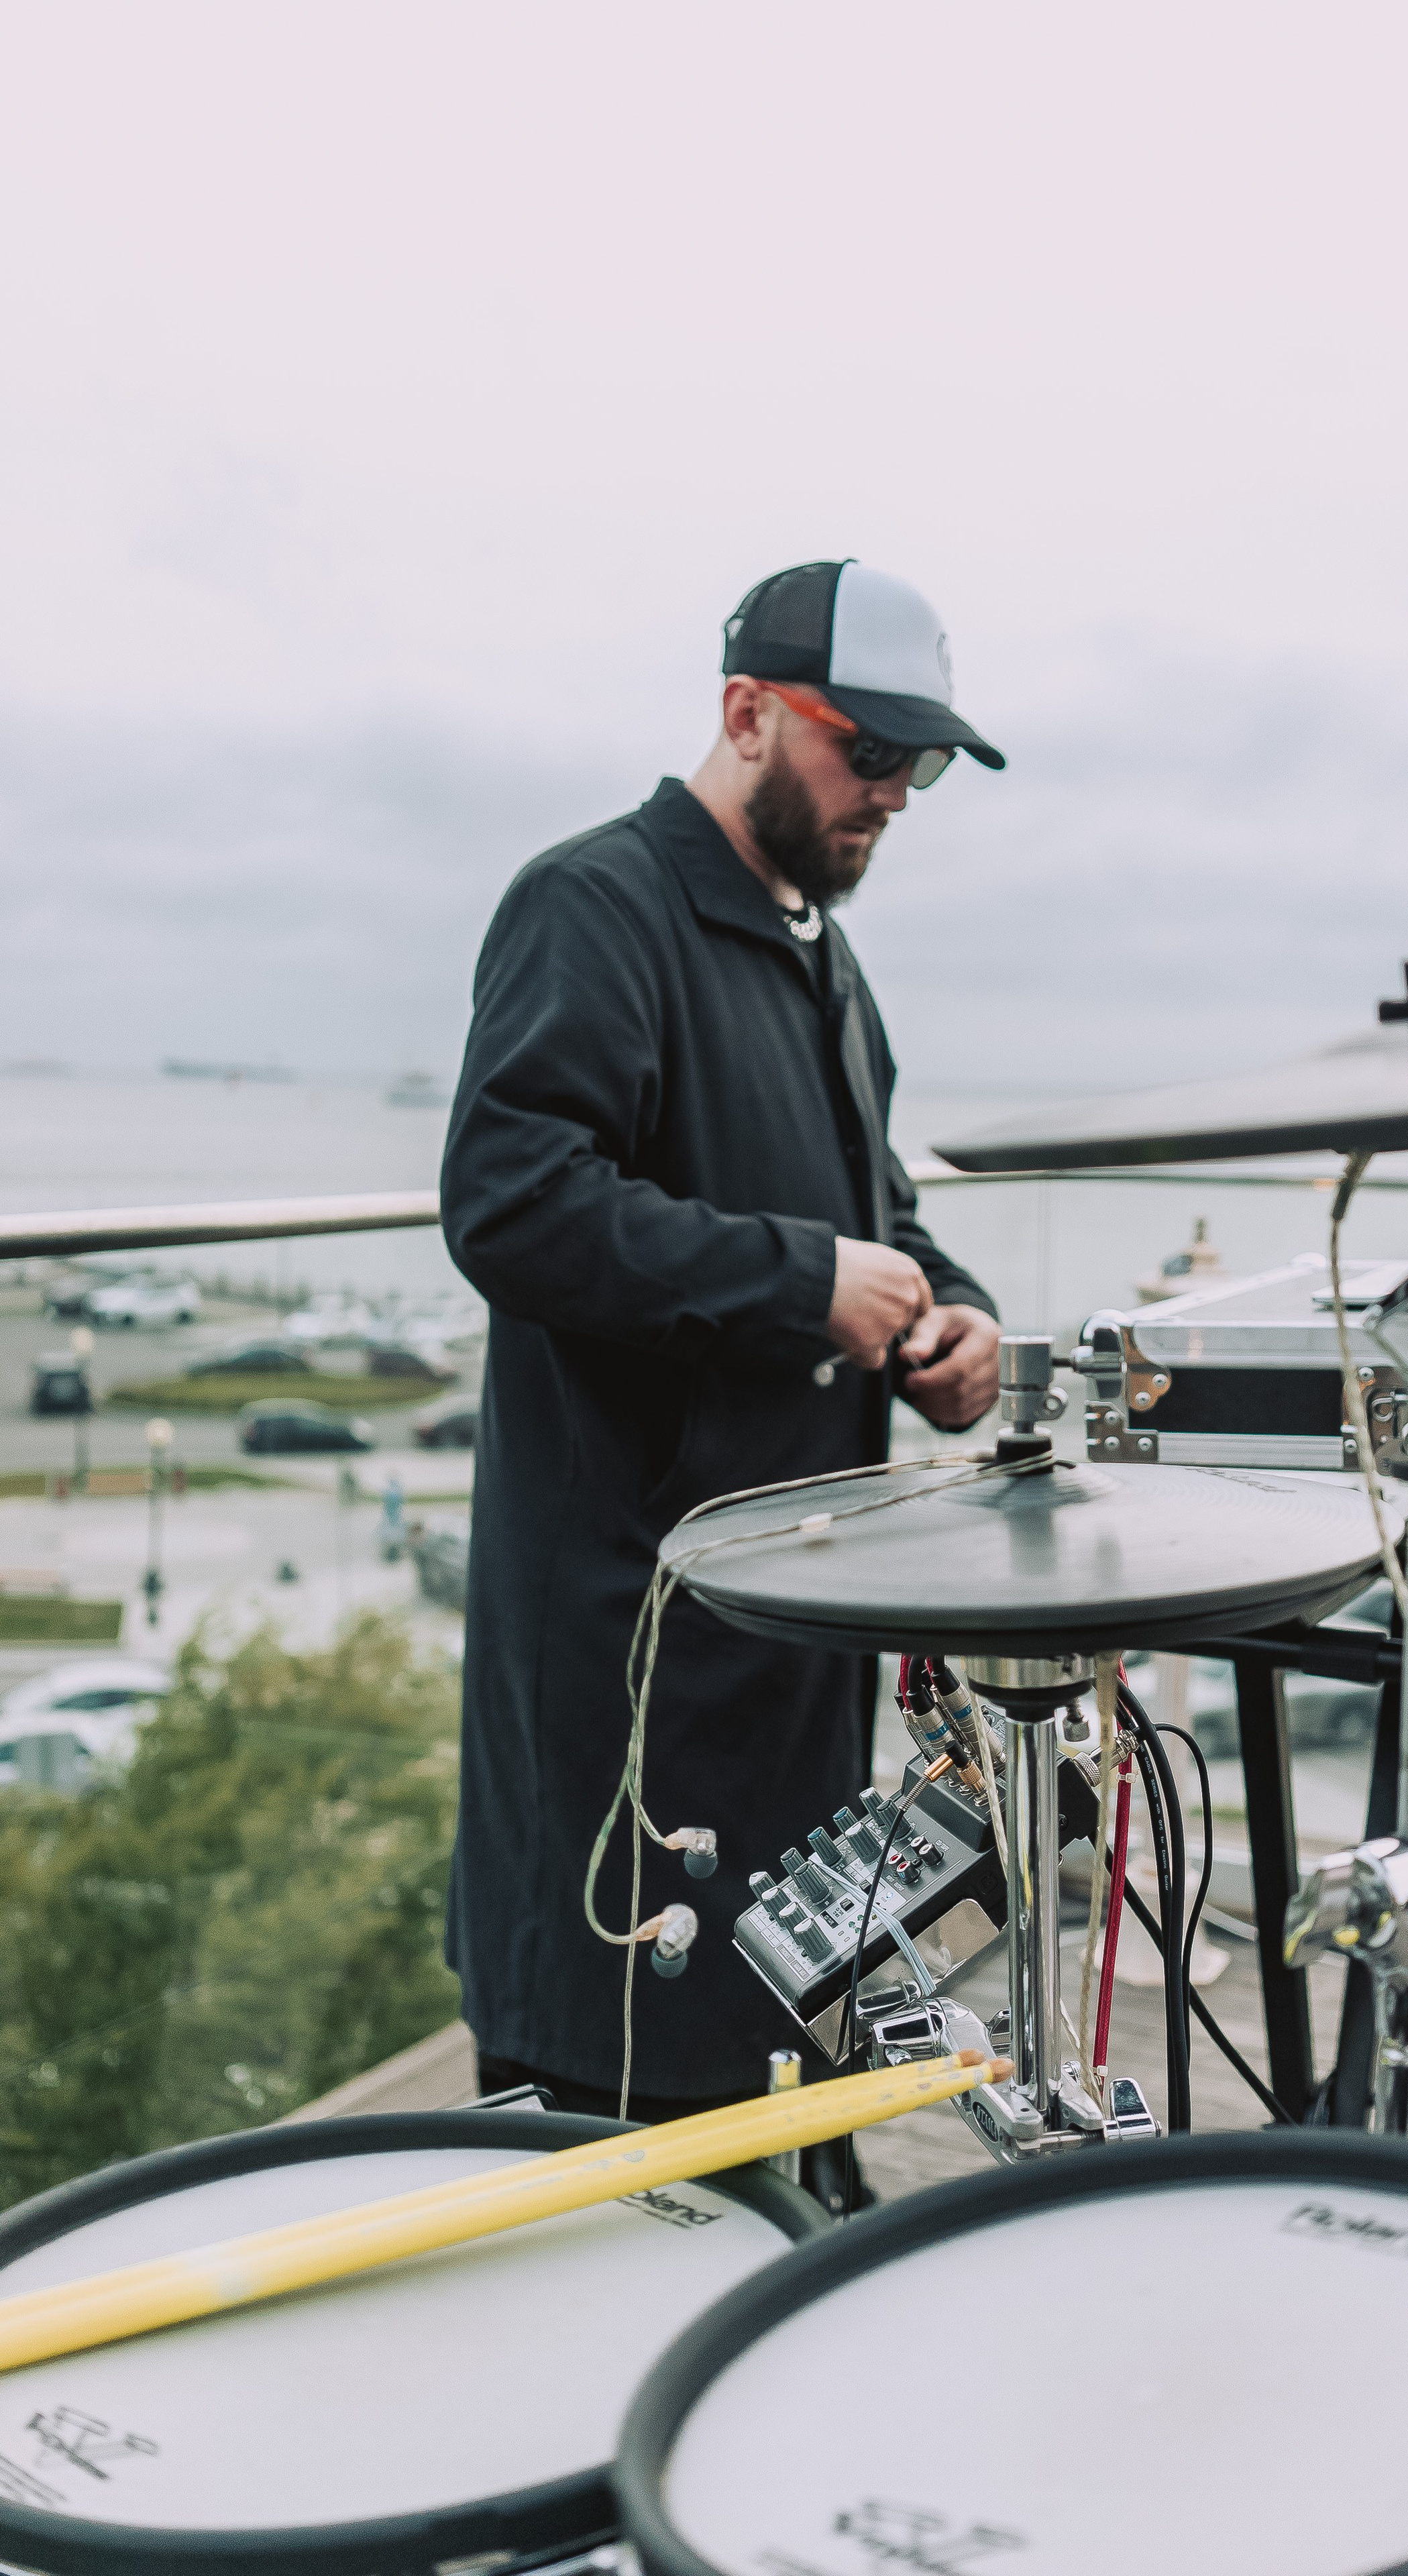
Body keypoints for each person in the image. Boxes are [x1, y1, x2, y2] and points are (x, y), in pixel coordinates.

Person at [439, 560, 1006, 2164]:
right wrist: (800, 1281)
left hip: (794, 1654)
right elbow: (511, 1202)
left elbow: (873, 1221)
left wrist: (941, 1320)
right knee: (609, 2129)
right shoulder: (594, 902)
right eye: (866, 751)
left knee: (785, 2093)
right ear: (747, 714)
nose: (894, 793)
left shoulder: (826, 960)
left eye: (924, 764)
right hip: (634, 1653)